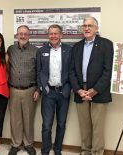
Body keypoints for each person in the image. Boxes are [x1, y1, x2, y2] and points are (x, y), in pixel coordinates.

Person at [69, 16, 114, 155]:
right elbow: (71, 71)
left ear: (96, 28)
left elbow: (109, 70)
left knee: (98, 127)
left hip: (99, 91)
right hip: (80, 91)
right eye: (84, 26)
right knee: (84, 126)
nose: (87, 28)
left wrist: (95, 90)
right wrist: (78, 89)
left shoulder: (106, 44)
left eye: (90, 25)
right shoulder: (76, 46)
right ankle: (86, 151)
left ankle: (97, 152)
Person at [37, 24, 72, 155]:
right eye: (51, 33)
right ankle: (45, 150)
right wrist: (42, 87)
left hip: (64, 92)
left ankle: (57, 149)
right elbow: (39, 71)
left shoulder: (69, 50)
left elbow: (72, 70)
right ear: (48, 35)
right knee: (46, 125)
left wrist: (70, 87)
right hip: (48, 92)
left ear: (61, 35)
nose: (53, 36)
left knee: (61, 123)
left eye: (56, 33)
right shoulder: (41, 51)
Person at [7, 25, 40, 155]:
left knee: (28, 118)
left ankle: (28, 144)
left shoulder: (35, 51)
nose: (23, 36)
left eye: (25, 34)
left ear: (29, 35)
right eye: (20, 33)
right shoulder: (10, 49)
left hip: (30, 90)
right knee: (15, 119)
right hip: (13, 89)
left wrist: (38, 89)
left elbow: (39, 71)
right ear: (16, 35)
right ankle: (15, 144)